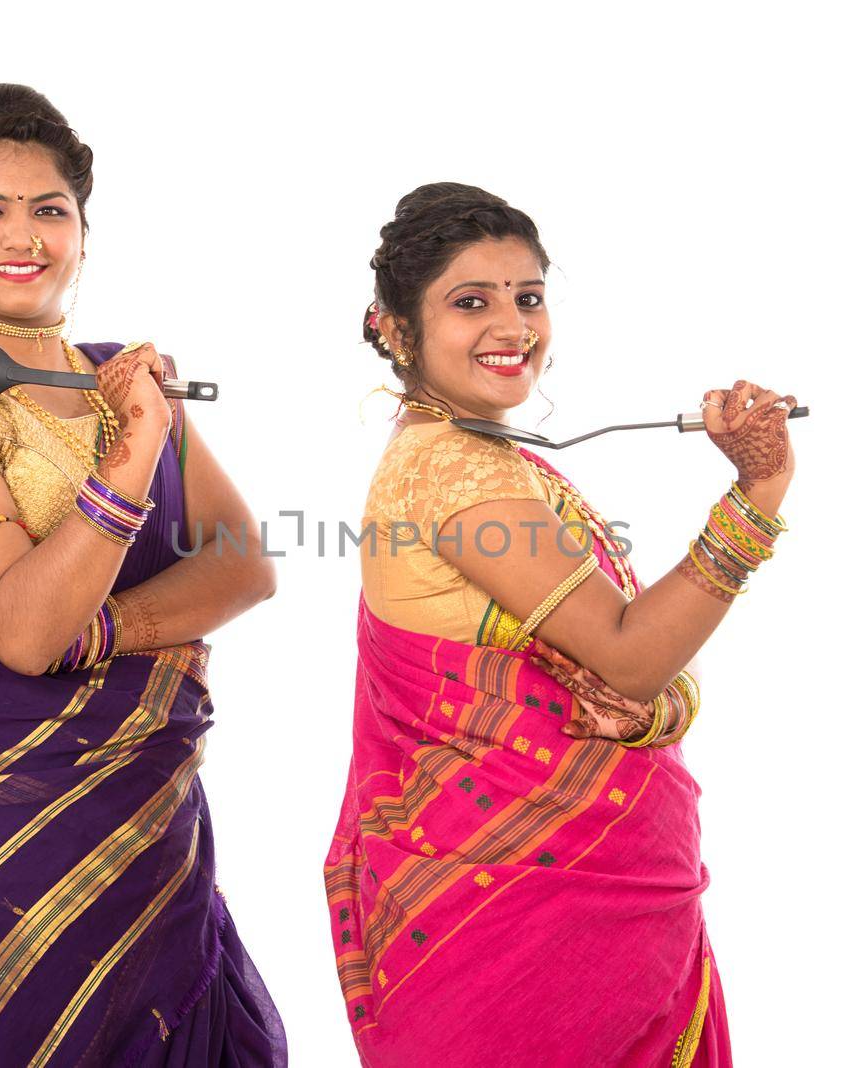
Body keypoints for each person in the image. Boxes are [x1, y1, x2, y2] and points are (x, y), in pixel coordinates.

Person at [0, 84, 287, 1067]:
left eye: (49, 210)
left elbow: (245, 564)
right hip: (0, 832)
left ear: (83, 233)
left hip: (148, 830)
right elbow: (21, 633)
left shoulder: (121, 378)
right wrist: (133, 451)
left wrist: (100, 628)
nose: (22, 236)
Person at [324, 182, 798, 1066]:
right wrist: (756, 498)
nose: (512, 328)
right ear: (394, 328)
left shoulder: (472, 456)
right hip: (520, 928)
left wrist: (660, 706)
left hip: (564, 901)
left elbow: (608, 670)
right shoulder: (456, 475)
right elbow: (627, 657)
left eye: (528, 298)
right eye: (472, 302)